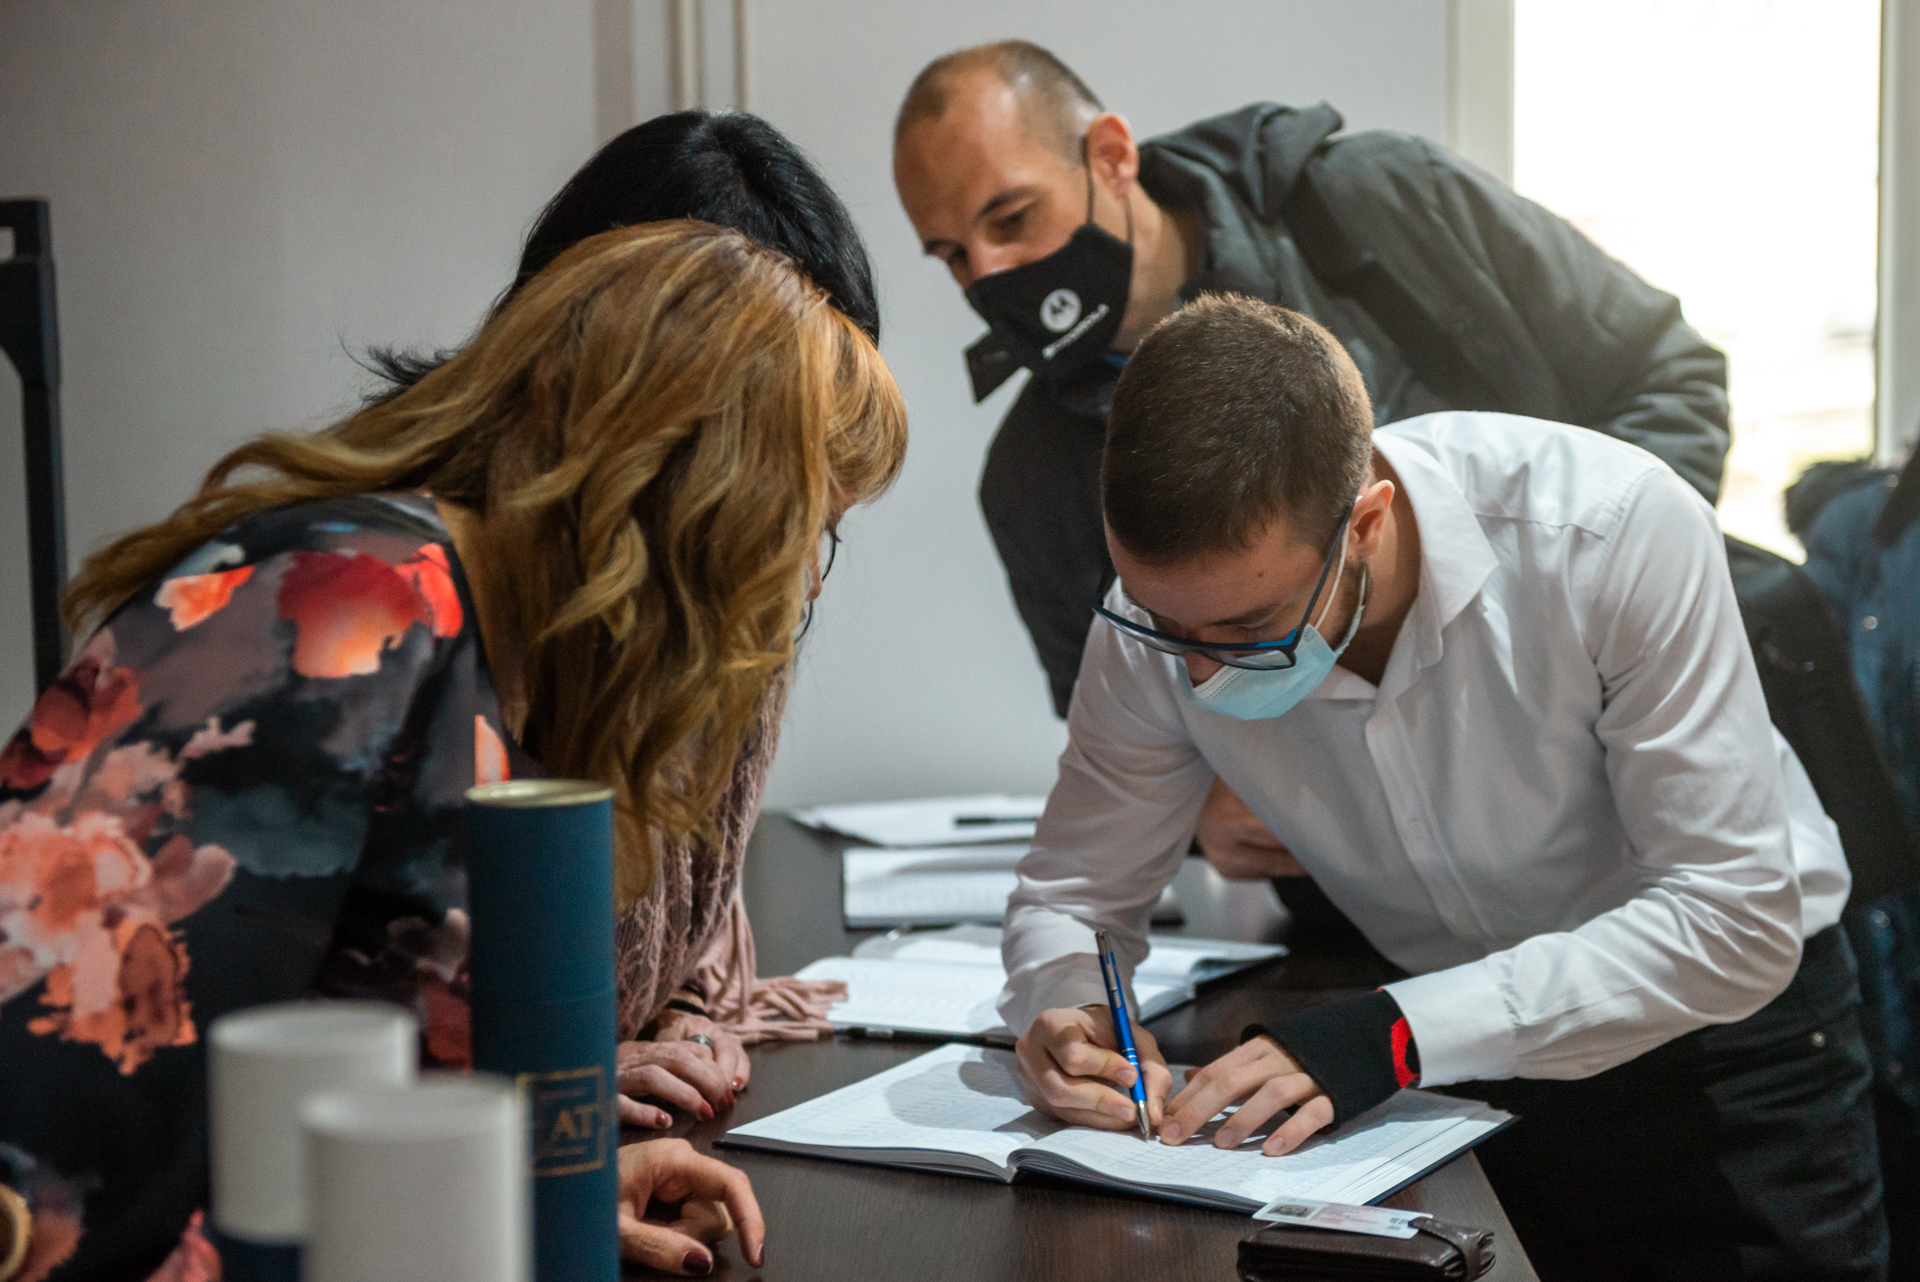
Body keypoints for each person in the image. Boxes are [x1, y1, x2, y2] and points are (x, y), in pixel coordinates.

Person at [0, 222, 907, 1281]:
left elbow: (322, 1080)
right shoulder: (351, 608)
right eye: (808, 526)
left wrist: (530, 1191)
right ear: (693, 491)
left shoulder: (493, 650)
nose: (806, 582)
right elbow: (66, 1132)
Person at [1000, 295, 1884, 1280]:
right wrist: (1064, 1008)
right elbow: (1073, 892)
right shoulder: (1151, 624)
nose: (1200, 672)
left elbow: (1732, 917)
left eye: (1249, 630)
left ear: (1366, 523)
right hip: (1453, 1072)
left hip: (1721, 1054)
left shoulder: (1608, 531)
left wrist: (1394, 1034)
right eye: (1169, 627)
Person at [890, 40, 1732, 895]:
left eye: (1011, 218)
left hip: (1630, 840)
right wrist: (1202, 810)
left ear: (1110, 157)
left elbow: (1670, 381)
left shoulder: (1377, 205)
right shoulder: (1030, 480)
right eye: (951, 254)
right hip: (1370, 920)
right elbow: (1127, 749)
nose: (988, 273)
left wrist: (1601, 652)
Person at [371, 108, 883, 1128]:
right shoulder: (376, 614)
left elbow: (689, 949)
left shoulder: (712, 603)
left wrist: (678, 1025)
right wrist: (550, 1101)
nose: (802, 582)